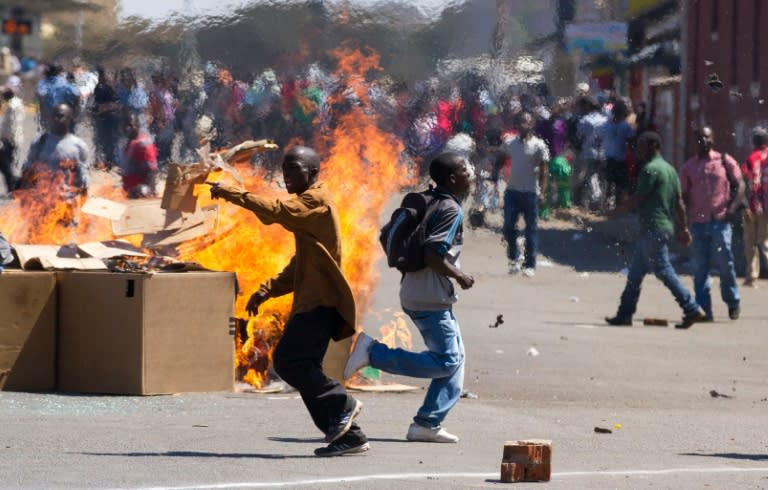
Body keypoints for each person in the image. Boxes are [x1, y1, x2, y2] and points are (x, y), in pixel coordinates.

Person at [208, 145, 369, 457]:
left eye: (294, 168)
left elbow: (278, 213)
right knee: (302, 366)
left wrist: (232, 194)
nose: (287, 174)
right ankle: (349, 437)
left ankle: (341, 403)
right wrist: (267, 290)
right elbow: (302, 262)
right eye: (284, 168)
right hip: (312, 302)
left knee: (289, 363)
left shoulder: (316, 200)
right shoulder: (310, 208)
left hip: (321, 303)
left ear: (311, 171)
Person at [343, 152, 474, 443]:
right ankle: (374, 353)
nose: (472, 174)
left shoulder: (431, 200)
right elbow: (432, 253)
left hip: (418, 290)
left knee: (456, 359)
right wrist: (460, 276)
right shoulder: (451, 209)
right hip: (431, 295)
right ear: (453, 179)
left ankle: (427, 423)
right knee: (447, 361)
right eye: (466, 170)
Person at [605, 132, 706, 328]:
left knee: (664, 270)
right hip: (660, 228)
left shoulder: (650, 170)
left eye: (641, 146)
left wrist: (615, 211)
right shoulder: (670, 169)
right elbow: (679, 203)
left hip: (653, 228)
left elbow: (638, 198)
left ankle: (691, 308)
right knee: (635, 273)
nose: (638, 150)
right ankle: (624, 314)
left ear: (652, 146)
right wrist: (683, 227)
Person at [679, 126, 743, 321]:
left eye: (706, 138)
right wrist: (682, 224)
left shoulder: (724, 160)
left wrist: (731, 210)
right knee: (699, 269)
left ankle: (733, 301)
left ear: (712, 139)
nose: (703, 142)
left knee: (726, 265)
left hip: (720, 222)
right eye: (699, 139)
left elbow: (740, 185)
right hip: (697, 224)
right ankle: (704, 309)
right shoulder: (688, 167)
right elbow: (682, 196)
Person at [501, 110, 550, 277]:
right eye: (520, 122)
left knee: (531, 231)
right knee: (508, 227)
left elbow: (544, 171)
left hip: (530, 193)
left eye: (526, 122)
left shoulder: (539, 145)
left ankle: (530, 265)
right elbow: (500, 158)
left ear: (532, 124)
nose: (523, 125)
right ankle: (514, 258)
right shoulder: (509, 143)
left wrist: (542, 193)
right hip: (512, 192)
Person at [22, 103, 90, 194]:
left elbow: (83, 174)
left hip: (66, 200)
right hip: (42, 198)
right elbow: (29, 166)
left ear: (70, 119)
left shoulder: (79, 146)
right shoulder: (40, 141)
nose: (56, 119)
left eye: (60, 116)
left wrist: (83, 191)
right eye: (53, 116)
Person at [740, 127, 768, 287]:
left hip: (751, 206)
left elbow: (745, 182)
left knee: (750, 243)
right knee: (764, 241)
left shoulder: (751, 158)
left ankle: (752, 276)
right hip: (766, 207)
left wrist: (746, 206)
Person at [600, 100, 634, 207]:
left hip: (608, 158)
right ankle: (617, 207)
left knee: (608, 183)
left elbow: (600, 138)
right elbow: (631, 140)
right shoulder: (625, 126)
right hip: (620, 159)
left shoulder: (606, 125)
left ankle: (606, 206)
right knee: (620, 185)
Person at [121, 113, 158, 198]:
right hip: (128, 191)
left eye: (130, 125)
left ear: (137, 126)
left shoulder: (143, 145)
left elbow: (152, 171)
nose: (127, 128)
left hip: (139, 193)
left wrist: (149, 191)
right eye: (125, 125)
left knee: (140, 190)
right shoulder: (128, 143)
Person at [0, 85, 24, 193]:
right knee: (9, 165)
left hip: (9, 141)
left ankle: (14, 188)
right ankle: (13, 187)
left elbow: (13, 126)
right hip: (10, 140)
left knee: (7, 166)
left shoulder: (13, 106)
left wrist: (10, 141)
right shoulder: (14, 103)